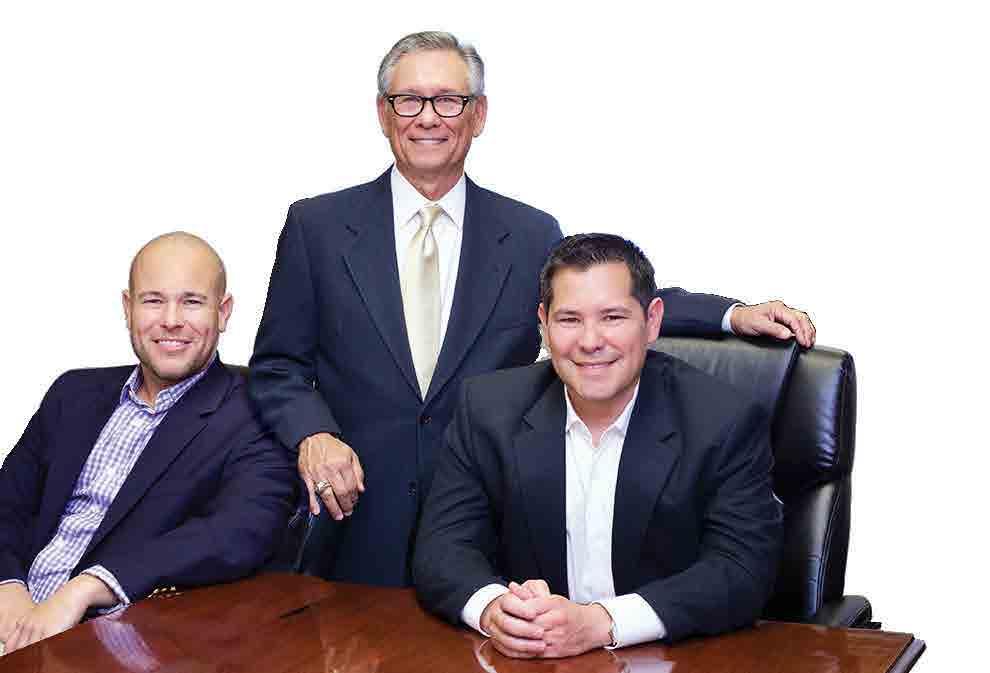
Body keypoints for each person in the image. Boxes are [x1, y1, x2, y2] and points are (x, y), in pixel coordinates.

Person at [249, 31, 807, 587]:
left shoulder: (526, 233)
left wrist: (731, 315)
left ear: (478, 114)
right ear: (382, 113)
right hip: (357, 523)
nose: (428, 118)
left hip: (486, 533)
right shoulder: (316, 228)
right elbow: (278, 366)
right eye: (409, 100)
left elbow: (600, 299)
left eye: (449, 100)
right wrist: (313, 434)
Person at [413, 233, 783, 658]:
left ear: (652, 321)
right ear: (544, 324)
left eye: (612, 317)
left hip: (671, 659)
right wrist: (497, 610)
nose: (590, 341)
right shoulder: (487, 409)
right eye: (569, 320)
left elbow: (742, 569)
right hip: (531, 662)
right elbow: (443, 547)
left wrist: (602, 623)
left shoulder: (722, 420)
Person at [0, 233, 295, 655]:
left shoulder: (258, 411)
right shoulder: (73, 393)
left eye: (191, 302)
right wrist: (8, 585)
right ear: (128, 308)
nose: (171, 320)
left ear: (223, 311)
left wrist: (86, 587)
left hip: (115, 644)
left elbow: (239, 531)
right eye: (153, 300)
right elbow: (7, 504)